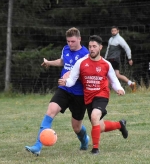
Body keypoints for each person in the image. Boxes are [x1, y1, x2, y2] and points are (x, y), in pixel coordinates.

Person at [58, 35, 128, 155]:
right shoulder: (81, 63)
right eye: (90, 46)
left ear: (100, 47)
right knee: (98, 126)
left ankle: (95, 149)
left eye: (94, 46)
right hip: (88, 97)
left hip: (102, 95)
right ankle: (119, 125)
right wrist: (66, 82)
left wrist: (119, 88)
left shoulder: (106, 64)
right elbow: (72, 79)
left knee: (95, 116)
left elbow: (114, 80)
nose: (91, 49)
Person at [25, 27, 89, 156]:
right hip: (64, 89)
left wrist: (70, 75)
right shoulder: (65, 49)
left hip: (79, 94)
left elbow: (83, 71)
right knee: (50, 112)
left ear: (79, 39)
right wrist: (49, 62)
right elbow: (62, 61)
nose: (70, 44)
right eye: (68, 41)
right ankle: (37, 146)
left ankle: (84, 140)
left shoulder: (85, 54)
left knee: (76, 127)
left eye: (72, 41)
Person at [105, 26, 136, 92]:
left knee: (107, 74)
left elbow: (127, 48)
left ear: (118, 31)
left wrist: (129, 58)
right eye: (112, 31)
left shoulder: (120, 39)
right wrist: (105, 59)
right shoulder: (110, 39)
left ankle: (106, 90)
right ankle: (131, 83)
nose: (113, 32)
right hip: (109, 59)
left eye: (115, 31)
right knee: (117, 75)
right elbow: (108, 49)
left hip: (114, 59)